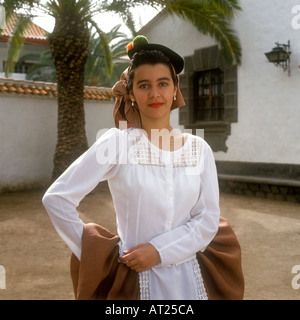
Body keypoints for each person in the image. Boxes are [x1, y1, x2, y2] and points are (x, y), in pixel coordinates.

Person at [42, 36, 240, 300]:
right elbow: (57, 199)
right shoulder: (117, 143)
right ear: (131, 93)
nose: (155, 93)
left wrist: (158, 251)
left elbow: (206, 219)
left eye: (163, 84)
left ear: (175, 90)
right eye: (144, 85)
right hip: (135, 283)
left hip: (191, 282)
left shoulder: (198, 149)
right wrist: (100, 256)